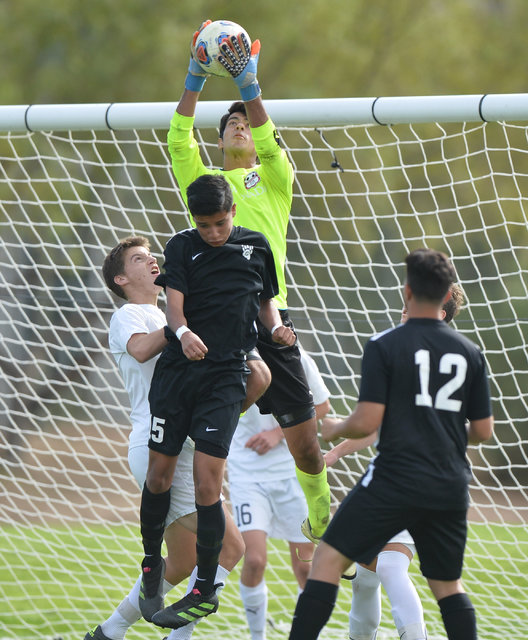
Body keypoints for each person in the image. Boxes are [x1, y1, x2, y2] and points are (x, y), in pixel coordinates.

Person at [167, 22, 331, 544]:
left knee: (306, 445)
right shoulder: (203, 187)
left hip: (270, 319)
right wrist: (195, 76)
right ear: (217, 140)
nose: (240, 125)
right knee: (198, 436)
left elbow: (266, 131)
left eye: (246, 122)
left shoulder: (276, 179)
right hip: (216, 327)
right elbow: (177, 137)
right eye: (231, 123)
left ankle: (323, 518)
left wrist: (248, 88)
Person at [288, 248, 494, 640]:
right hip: (449, 484)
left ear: (408, 290)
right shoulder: (471, 353)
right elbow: (483, 431)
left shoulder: (386, 344)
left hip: (396, 479)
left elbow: (366, 421)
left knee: (328, 561)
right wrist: (444, 437)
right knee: (447, 586)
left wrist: (332, 429)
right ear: (447, 294)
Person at [138, 174, 296, 630]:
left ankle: (205, 588)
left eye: (220, 223)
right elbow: (174, 307)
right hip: (179, 374)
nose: (212, 232)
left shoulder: (257, 246)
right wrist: (184, 335)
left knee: (209, 484)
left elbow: (266, 305)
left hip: (227, 377)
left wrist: (278, 330)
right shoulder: (181, 246)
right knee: (159, 475)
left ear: (233, 213)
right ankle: (151, 562)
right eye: (204, 224)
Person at [84, 235, 245, 640]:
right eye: (140, 259)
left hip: (183, 442)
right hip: (155, 443)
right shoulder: (130, 316)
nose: (153, 261)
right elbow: (140, 351)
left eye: (153, 255)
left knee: (181, 563)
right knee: (231, 547)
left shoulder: (170, 312)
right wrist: (181, 327)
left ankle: (108, 633)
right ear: (121, 278)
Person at [322, 282, 465, 640]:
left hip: (414, 483)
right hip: (419, 480)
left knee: (388, 566)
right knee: (368, 577)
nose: (403, 315)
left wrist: (336, 431)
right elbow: (378, 426)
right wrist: (338, 451)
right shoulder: (450, 357)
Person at [227, 347, 331, 640]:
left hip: (292, 474)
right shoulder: (233, 354)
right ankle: (257, 636)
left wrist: (277, 434)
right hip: (247, 473)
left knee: (305, 567)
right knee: (255, 560)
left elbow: (322, 406)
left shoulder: (295, 356)